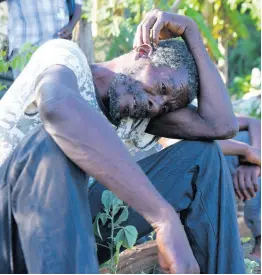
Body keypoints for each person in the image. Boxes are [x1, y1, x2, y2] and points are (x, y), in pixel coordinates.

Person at [0, 9, 247, 273]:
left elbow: (220, 125)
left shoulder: (136, 118)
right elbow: (57, 109)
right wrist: (163, 218)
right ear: (143, 52)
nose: (156, 105)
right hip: (10, 225)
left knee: (202, 157)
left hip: (70, 244)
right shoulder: (65, 58)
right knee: (52, 145)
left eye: (164, 107)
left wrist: (192, 31)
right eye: (163, 89)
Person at [0, 0, 82, 78]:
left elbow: (79, 2)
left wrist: (71, 26)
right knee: (26, 91)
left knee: (60, 89)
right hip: (24, 49)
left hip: (59, 44)